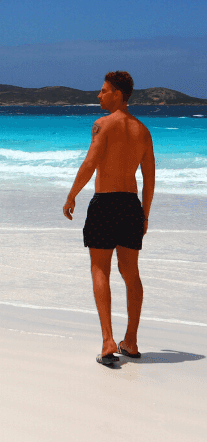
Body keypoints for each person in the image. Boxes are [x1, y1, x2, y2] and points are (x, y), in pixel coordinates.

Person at [63, 71, 155, 367]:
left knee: (99, 269)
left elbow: (90, 162)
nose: (98, 95)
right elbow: (150, 180)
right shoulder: (143, 131)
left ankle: (107, 341)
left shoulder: (102, 124)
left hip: (105, 203)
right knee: (131, 273)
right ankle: (131, 341)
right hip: (131, 205)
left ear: (118, 94)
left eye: (103, 91)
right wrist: (145, 214)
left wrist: (71, 195)